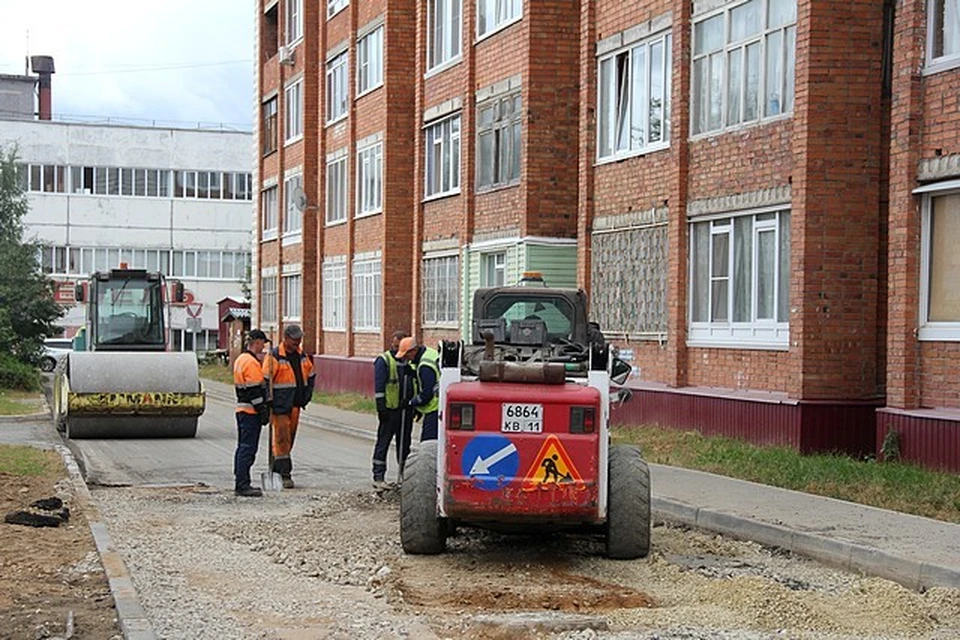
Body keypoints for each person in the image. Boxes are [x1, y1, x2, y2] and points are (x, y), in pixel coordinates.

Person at [263, 324, 315, 489]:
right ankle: (284, 475)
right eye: (294, 341)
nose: (297, 344)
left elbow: (311, 375)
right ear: (285, 339)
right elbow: (265, 381)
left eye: (299, 341)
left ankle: (277, 465)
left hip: (296, 404)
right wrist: (268, 400)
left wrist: (306, 396)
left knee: (288, 439)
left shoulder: (302, 356)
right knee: (282, 440)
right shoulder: (274, 357)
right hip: (279, 406)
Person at [371, 331, 414, 489]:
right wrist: (381, 408)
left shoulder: (410, 361)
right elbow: (379, 387)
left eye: (400, 348)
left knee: (404, 445)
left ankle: (405, 476)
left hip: (405, 409)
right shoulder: (384, 360)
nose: (398, 351)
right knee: (384, 442)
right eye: (396, 347)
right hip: (389, 410)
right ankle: (378, 476)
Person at [233, 329, 270, 497]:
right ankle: (243, 485)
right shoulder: (251, 363)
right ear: (257, 342)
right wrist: (262, 409)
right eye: (263, 343)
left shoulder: (241, 359)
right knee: (248, 448)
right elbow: (254, 390)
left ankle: (240, 480)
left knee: (242, 447)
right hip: (250, 412)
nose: (264, 346)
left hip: (242, 410)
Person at [396, 336, 440, 441]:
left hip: (435, 409)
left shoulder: (425, 366)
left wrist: (411, 403)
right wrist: (413, 373)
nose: (406, 358)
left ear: (414, 350)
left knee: (428, 444)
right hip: (439, 408)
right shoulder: (429, 353)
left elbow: (427, 394)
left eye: (407, 355)